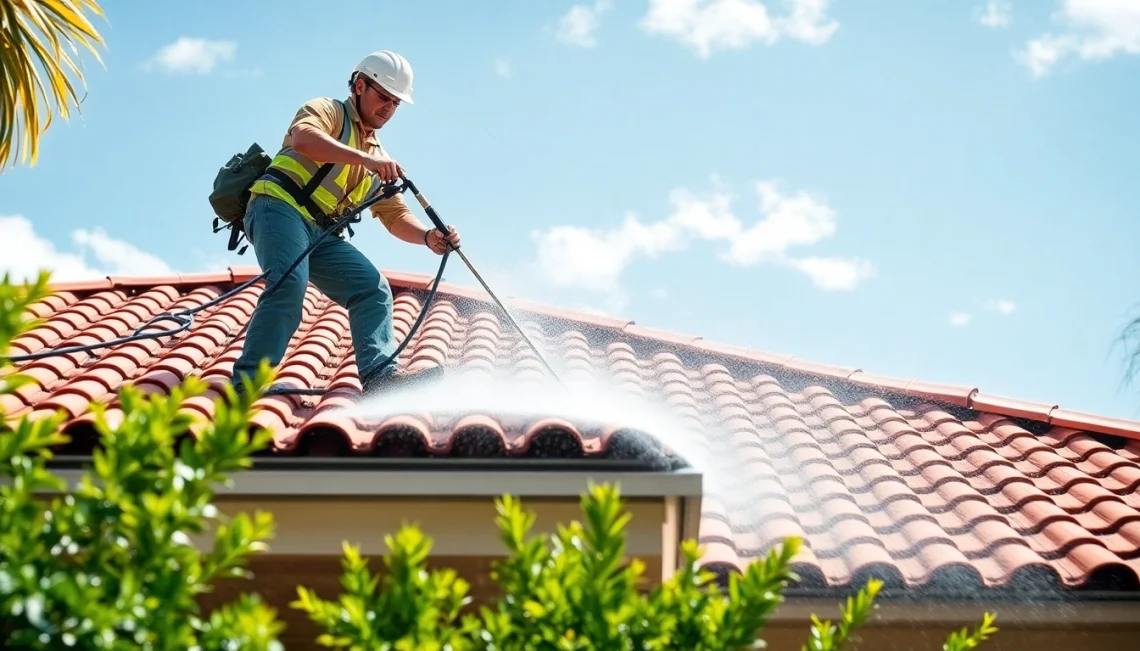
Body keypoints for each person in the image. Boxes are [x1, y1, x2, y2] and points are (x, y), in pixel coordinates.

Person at [230, 49, 459, 397]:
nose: (389, 108)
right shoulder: (328, 111)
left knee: (372, 287)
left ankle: (380, 378)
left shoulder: (378, 157)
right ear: (359, 86)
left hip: (320, 234)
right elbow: (304, 139)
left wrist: (429, 237)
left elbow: (395, 216)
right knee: (290, 284)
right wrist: (365, 159)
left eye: (396, 103)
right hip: (277, 207)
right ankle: (244, 387)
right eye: (383, 97)